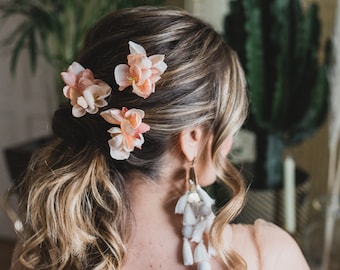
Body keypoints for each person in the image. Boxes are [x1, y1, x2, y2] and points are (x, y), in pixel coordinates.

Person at [10, 6, 310, 270]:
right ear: (192, 137)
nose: (228, 145)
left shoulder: (40, 254)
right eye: (228, 130)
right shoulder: (267, 257)